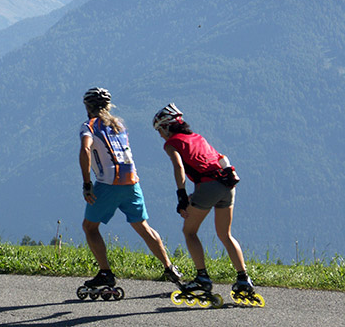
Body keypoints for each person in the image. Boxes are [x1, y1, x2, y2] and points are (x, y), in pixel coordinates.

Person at [78, 87, 182, 290]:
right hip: (132, 182)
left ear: (87, 107)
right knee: (143, 227)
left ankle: (105, 273)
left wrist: (87, 184)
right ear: (108, 106)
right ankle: (170, 268)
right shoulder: (119, 124)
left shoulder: (88, 125)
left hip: (107, 184)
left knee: (90, 227)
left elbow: (85, 149)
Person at [152, 103, 255, 296]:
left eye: (159, 130)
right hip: (227, 184)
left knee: (189, 231)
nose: (160, 135)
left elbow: (179, 167)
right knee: (225, 235)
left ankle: (202, 278)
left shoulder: (172, 143)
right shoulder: (197, 137)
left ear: (167, 127)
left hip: (208, 187)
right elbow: (222, 159)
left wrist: (182, 195)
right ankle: (244, 279)